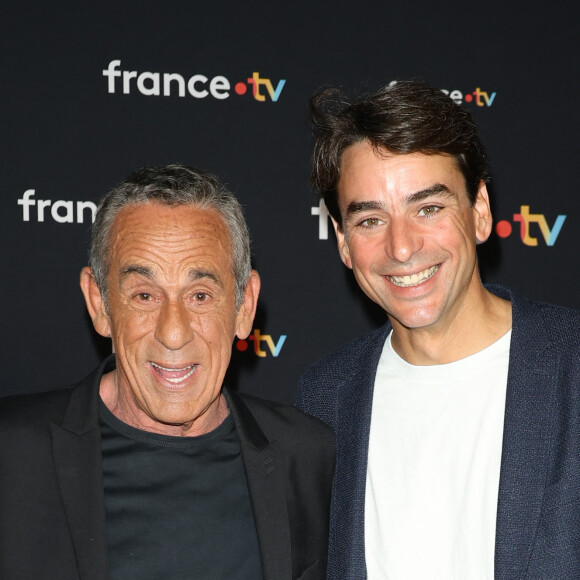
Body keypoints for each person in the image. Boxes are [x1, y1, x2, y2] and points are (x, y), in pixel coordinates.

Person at [296, 81, 580, 579]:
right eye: (369, 220)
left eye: (427, 208)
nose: (401, 247)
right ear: (342, 241)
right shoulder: (323, 399)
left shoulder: (571, 364)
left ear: (480, 212)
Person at [0, 165, 334, 580]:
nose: (173, 333)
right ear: (99, 303)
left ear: (244, 306)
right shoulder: (12, 456)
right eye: (144, 295)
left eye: (199, 295)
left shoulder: (311, 459)